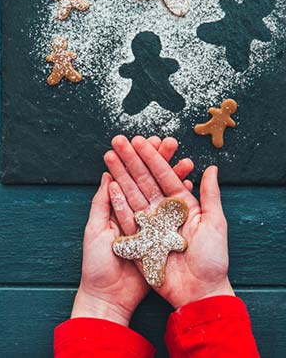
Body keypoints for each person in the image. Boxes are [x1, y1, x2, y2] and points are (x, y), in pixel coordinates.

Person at [54, 135, 260, 358]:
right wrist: (207, 298)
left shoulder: (171, 238)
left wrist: (100, 307)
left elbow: (175, 241)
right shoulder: (153, 231)